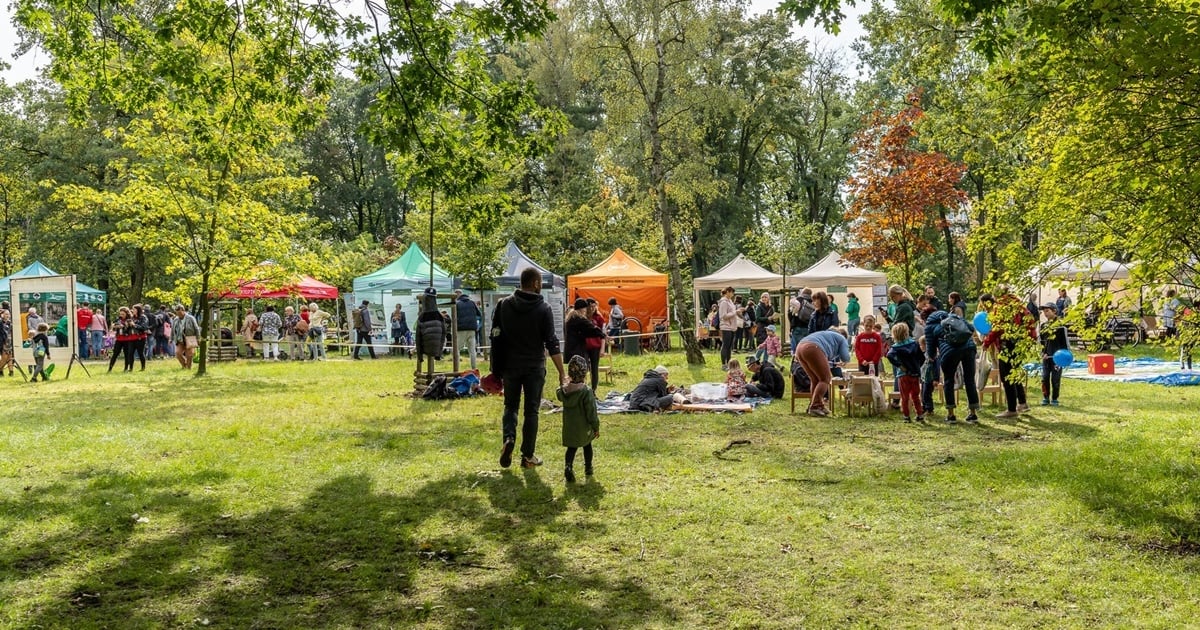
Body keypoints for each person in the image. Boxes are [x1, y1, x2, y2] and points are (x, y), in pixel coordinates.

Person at [492, 268, 566, 469]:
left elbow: (495, 336)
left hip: (510, 365)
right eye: (540, 281)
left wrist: (495, 367)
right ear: (534, 283)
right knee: (531, 411)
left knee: (510, 406)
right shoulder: (543, 308)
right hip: (534, 366)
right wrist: (562, 372)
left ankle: (509, 438)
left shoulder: (503, 305)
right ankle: (527, 456)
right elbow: (551, 342)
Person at [981, 291, 1034, 418]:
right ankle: (1022, 403)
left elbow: (998, 328)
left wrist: (986, 342)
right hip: (1021, 344)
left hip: (1008, 345)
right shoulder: (1019, 305)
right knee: (1014, 373)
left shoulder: (1002, 307)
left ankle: (1011, 409)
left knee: (1007, 376)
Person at [924, 309, 981, 424]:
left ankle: (951, 415)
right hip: (969, 348)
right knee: (970, 380)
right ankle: (973, 413)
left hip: (949, 353)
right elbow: (970, 329)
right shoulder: (955, 317)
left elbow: (930, 347)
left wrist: (932, 357)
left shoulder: (930, 326)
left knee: (949, 381)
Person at [557, 355, 600, 483]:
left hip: (569, 427)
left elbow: (559, 392)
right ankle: (588, 468)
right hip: (584, 427)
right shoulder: (586, 392)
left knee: (571, 448)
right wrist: (596, 427)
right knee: (587, 445)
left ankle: (568, 466)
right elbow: (591, 412)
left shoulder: (564, 391)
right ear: (585, 373)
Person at [792, 329, 850, 417]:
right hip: (812, 348)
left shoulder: (827, 336)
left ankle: (817, 405)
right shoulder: (842, 339)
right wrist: (845, 361)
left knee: (815, 379)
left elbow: (823, 362)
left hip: (800, 348)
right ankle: (815, 406)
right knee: (825, 379)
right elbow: (846, 357)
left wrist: (834, 364)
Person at [886, 322, 926, 423]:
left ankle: (906, 416)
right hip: (915, 374)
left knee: (905, 397)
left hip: (903, 374)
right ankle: (919, 414)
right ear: (907, 332)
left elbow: (889, 356)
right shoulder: (915, 343)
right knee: (916, 396)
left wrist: (899, 365)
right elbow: (922, 358)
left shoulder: (895, 347)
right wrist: (917, 367)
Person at [564, 298, 606, 389]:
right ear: (582, 308)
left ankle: (573, 391)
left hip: (571, 349)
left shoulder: (571, 318)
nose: (586, 310)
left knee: (573, 373)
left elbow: (585, 332)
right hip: (577, 349)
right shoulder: (579, 318)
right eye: (585, 308)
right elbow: (591, 328)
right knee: (580, 372)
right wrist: (602, 335)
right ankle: (580, 392)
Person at [1039, 303, 1069, 406]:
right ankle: (1046, 397)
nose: (1045, 313)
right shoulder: (1044, 326)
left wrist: (1065, 356)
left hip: (1058, 358)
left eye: (1047, 311)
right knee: (1045, 377)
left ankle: (1055, 398)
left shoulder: (1060, 325)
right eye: (1044, 312)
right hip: (1046, 357)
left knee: (1055, 379)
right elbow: (1042, 342)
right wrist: (1043, 353)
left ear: (1054, 311)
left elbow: (1065, 343)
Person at [415, 289, 446, 366]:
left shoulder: (422, 317)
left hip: (426, 348)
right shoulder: (440, 316)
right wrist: (439, 353)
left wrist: (419, 356)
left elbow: (418, 338)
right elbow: (443, 335)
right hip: (436, 348)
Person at [454, 289, 481, 369]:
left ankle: (456, 368)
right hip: (472, 329)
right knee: (472, 351)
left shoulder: (457, 304)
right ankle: (474, 368)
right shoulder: (472, 303)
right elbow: (479, 314)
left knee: (456, 349)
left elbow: (454, 317)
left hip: (461, 329)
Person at [108, 307, 137, 373]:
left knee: (126, 354)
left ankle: (126, 368)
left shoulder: (130, 320)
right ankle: (110, 369)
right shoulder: (117, 320)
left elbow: (131, 328)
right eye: (120, 314)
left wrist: (124, 326)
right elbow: (112, 327)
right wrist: (115, 327)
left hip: (127, 339)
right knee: (115, 354)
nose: (121, 315)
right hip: (119, 339)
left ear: (126, 314)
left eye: (123, 314)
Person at [172, 304, 200, 370]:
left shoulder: (191, 318)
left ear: (183, 311)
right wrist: (171, 338)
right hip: (180, 339)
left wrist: (198, 338)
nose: (179, 314)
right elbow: (173, 330)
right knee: (178, 353)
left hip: (190, 338)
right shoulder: (175, 320)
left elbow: (197, 328)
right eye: (177, 313)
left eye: (180, 312)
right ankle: (184, 365)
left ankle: (188, 368)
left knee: (189, 355)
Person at [717, 287, 739, 369]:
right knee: (725, 345)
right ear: (727, 292)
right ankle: (724, 364)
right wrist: (735, 312)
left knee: (730, 346)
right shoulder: (723, 302)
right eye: (732, 292)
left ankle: (730, 364)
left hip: (732, 326)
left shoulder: (730, 302)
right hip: (726, 326)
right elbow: (723, 316)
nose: (733, 295)